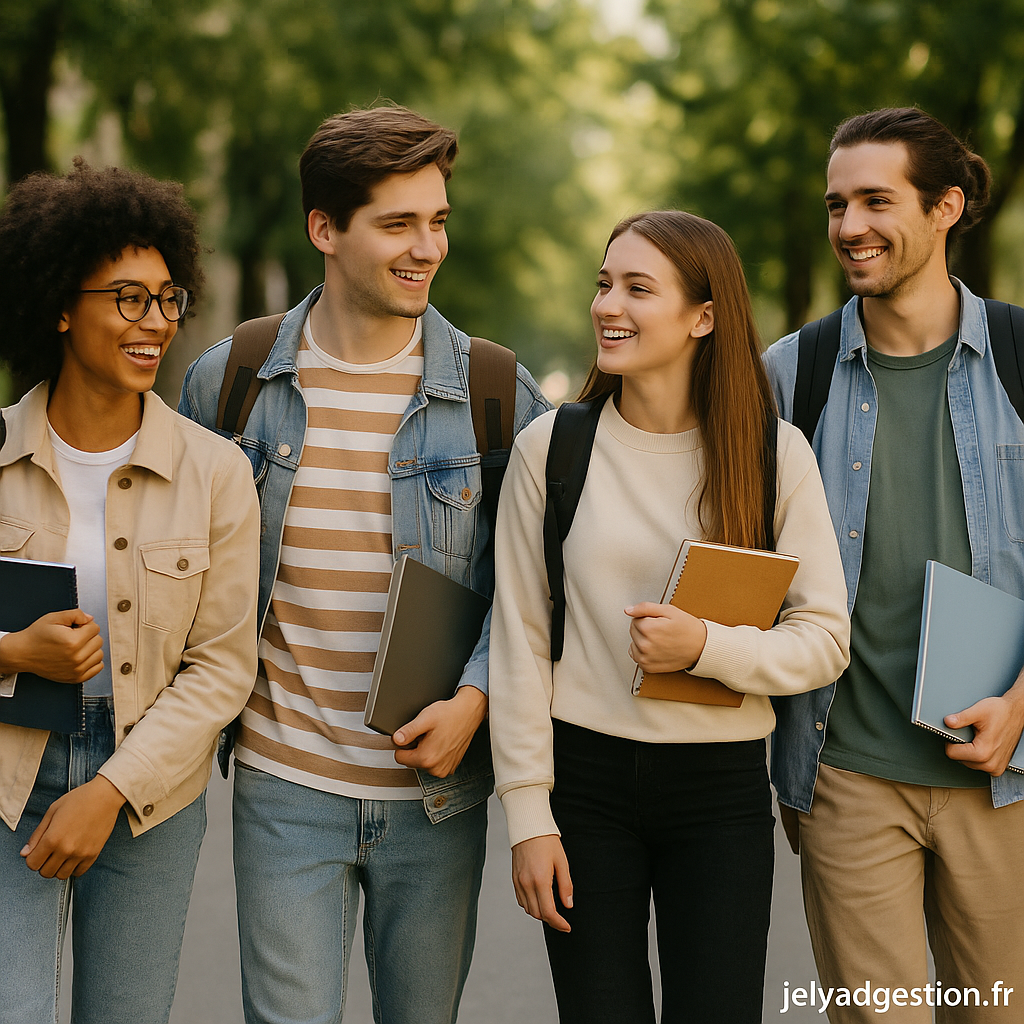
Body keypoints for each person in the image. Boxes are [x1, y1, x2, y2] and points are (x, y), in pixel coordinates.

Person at [178, 104, 549, 1024]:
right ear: (325, 230)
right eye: (398, 224)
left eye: (438, 220)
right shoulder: (231, 380)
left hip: (436, 799)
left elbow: (542, 590)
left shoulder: (499, 395)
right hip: (283, 782)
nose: (428, 247)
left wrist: (477, 700)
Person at [488, 210, 851, 1024]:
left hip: (719, 795)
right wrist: (527, 817)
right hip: (584, 790)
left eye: (638, 288)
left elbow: (826, 639)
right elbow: (518, 642)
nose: (608, 305)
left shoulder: (771, 452)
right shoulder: (554, 449)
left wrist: (708, 648)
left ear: (703, 316)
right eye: (604, 283)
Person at [765, 107, 1024, 1023]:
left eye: (877, 200)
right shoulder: (793, 372)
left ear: (947, 206)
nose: (849, 226)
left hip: (1006, 777)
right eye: (838, 204)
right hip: (848, 773)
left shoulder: (1023, 361)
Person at [0, 160, 260, 1024]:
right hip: (7, 774)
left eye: (166, 298)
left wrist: (109, 788)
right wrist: (14, 652)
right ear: (61, 305)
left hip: (149, 789)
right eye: (128, 298)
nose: (156, 324)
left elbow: (223, 667)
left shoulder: (218, 473)